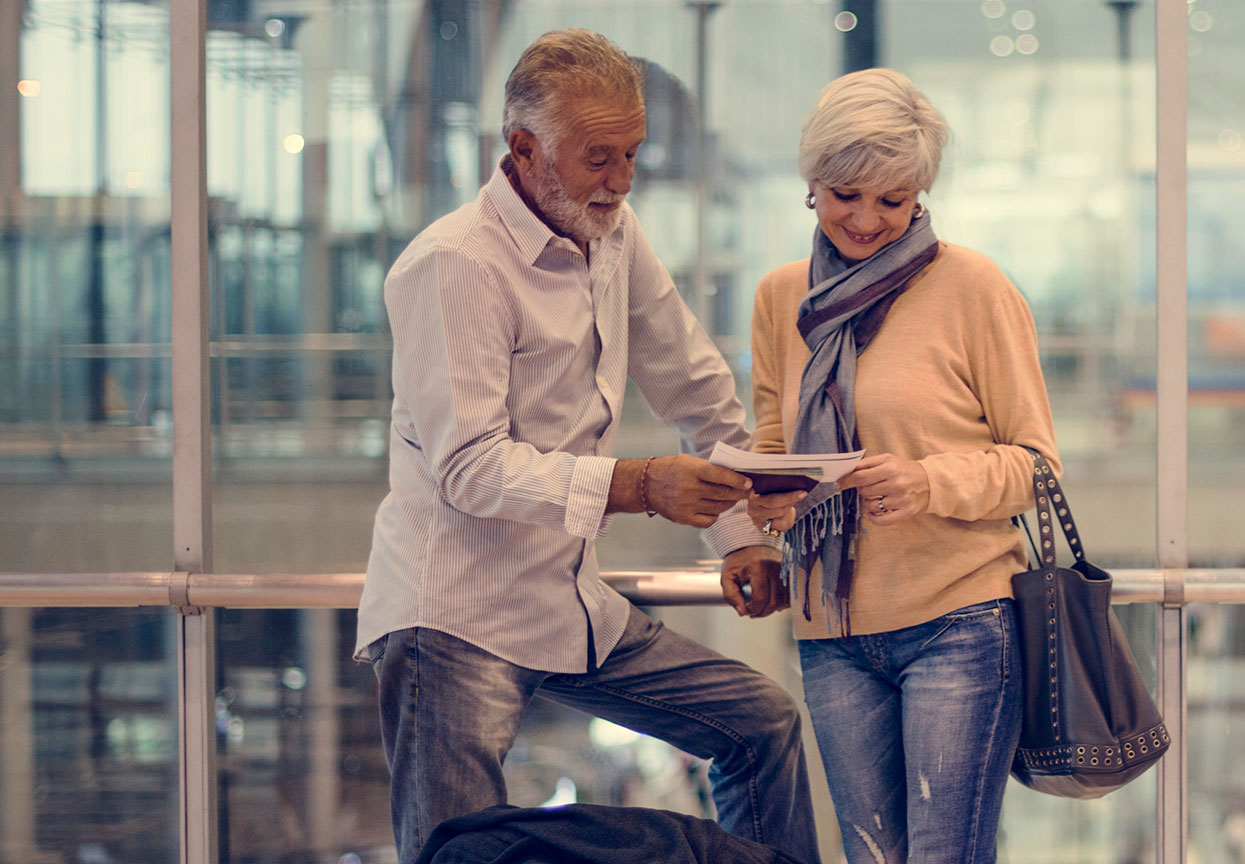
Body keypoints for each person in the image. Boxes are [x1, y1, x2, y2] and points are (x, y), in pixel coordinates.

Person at [355, 29, 818, 864]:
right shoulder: (453, 266)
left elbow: (692, 381)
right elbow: (469, 466)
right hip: (455, 616)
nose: (622, 179)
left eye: (633, 154)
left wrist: (743, 538)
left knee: (762, 723)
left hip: (568, 602)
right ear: (523, 148)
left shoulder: (612, 232)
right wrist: (642, 485)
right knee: (459, 854)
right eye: (599, 157)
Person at [742, 68, 1061, 863]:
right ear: (811, 184)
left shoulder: (973, 288)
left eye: (896, 199)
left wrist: (927, 482)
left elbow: (1036, 465)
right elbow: (776, 442)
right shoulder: (782, 298)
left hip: (961, 621)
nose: (869, 220)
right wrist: (770, 496)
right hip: (832, 629)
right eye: (848, 193)